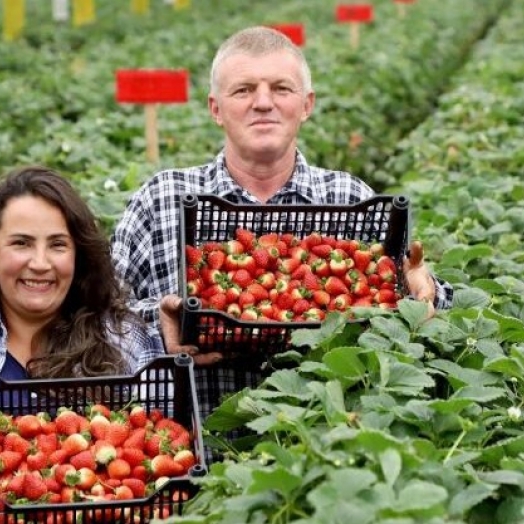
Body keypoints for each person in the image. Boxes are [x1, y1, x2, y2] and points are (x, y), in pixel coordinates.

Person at [111, 26, 454, 422]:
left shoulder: (351, 199)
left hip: (321, 446)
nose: (262, 103)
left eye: (281, 89)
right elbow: (97, 317)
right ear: (215, 108)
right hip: (188, 450)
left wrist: (423, 295)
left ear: (306, 105)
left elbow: (418, 298)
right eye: (243, 90)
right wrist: (159, 321)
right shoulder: (160, 200)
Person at [0, 166, 163, 384]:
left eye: (58, 244)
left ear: (79, 254)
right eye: (21, 243)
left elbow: (161, 417)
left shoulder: (123, 340)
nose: (40, 263)